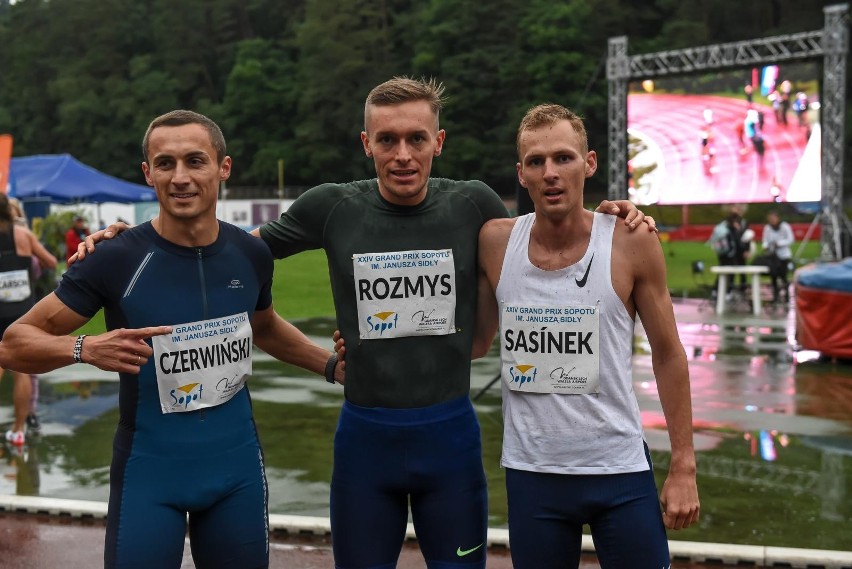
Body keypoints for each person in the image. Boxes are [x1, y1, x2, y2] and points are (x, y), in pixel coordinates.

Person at [75, 77, 653, 569]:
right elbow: (230, 250)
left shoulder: (474, 204)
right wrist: (129, 243)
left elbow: (545, 237)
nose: (403, 154)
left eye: (416, 139)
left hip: (449, 440)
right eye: (388, 140)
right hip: (364, 443)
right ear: (366, 145)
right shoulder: (332, 206)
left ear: (438, 143)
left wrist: (612, 214)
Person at [0, 110, 343, 569]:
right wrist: (85, 349)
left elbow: (263, 327)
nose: (180, 177)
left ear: (223, 167)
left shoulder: (252, 253)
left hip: (235, 471)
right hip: (149, 475)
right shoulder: (115, 258)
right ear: (148, 173)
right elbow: (13, 342)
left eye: (195, 161)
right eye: (165, 164)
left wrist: (331, 366)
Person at [476, 103, 699, 568]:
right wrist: (363, 341)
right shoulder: (495, 242)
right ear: (521, 174)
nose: (550, 173)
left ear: (590, 163)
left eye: (564, 158)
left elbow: (669, 355)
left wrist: (683, 465)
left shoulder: (630, 240)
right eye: (536, 162)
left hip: (617, 470)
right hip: (533, 473)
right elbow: (471, 342)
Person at [0, 192, 57, 447]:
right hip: (21, 310)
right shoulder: (23, 235)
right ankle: (19, 429)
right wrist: (31, 270)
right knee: (21, 371)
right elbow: (51, 261)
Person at [761, 210, 794, 304]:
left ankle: (786, 294)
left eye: (773, 218)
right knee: (773, 276)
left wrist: (779, 243)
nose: (772, 220)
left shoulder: (785, 226)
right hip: (772, 256)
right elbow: (765, 240)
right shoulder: (767, 228)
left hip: (783, 255)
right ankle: (775, 296)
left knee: (783, 275)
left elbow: (790, 239)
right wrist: (765, 246)